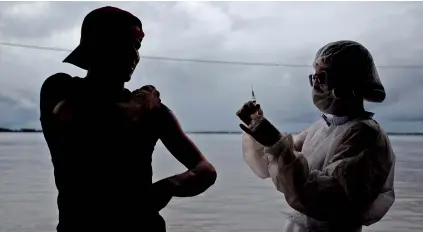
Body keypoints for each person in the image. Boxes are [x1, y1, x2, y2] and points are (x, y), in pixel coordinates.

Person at [39, 6, 217, 232]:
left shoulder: (153, 110)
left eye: (137, 46)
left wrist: (168, 186)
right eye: (125, 43)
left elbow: (205, 169)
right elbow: (80, 117)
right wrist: (138, 105)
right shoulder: (60, 89)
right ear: (98, 45)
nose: (135, 55)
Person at [236, 40, 395, 232]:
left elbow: (328, 200)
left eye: (322, 77)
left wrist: (274, 142)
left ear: (346, 80)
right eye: (315, 77)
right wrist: (259, 127)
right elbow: (269, 166)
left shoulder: (364, 134)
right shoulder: (323, 128)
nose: (316, 84)